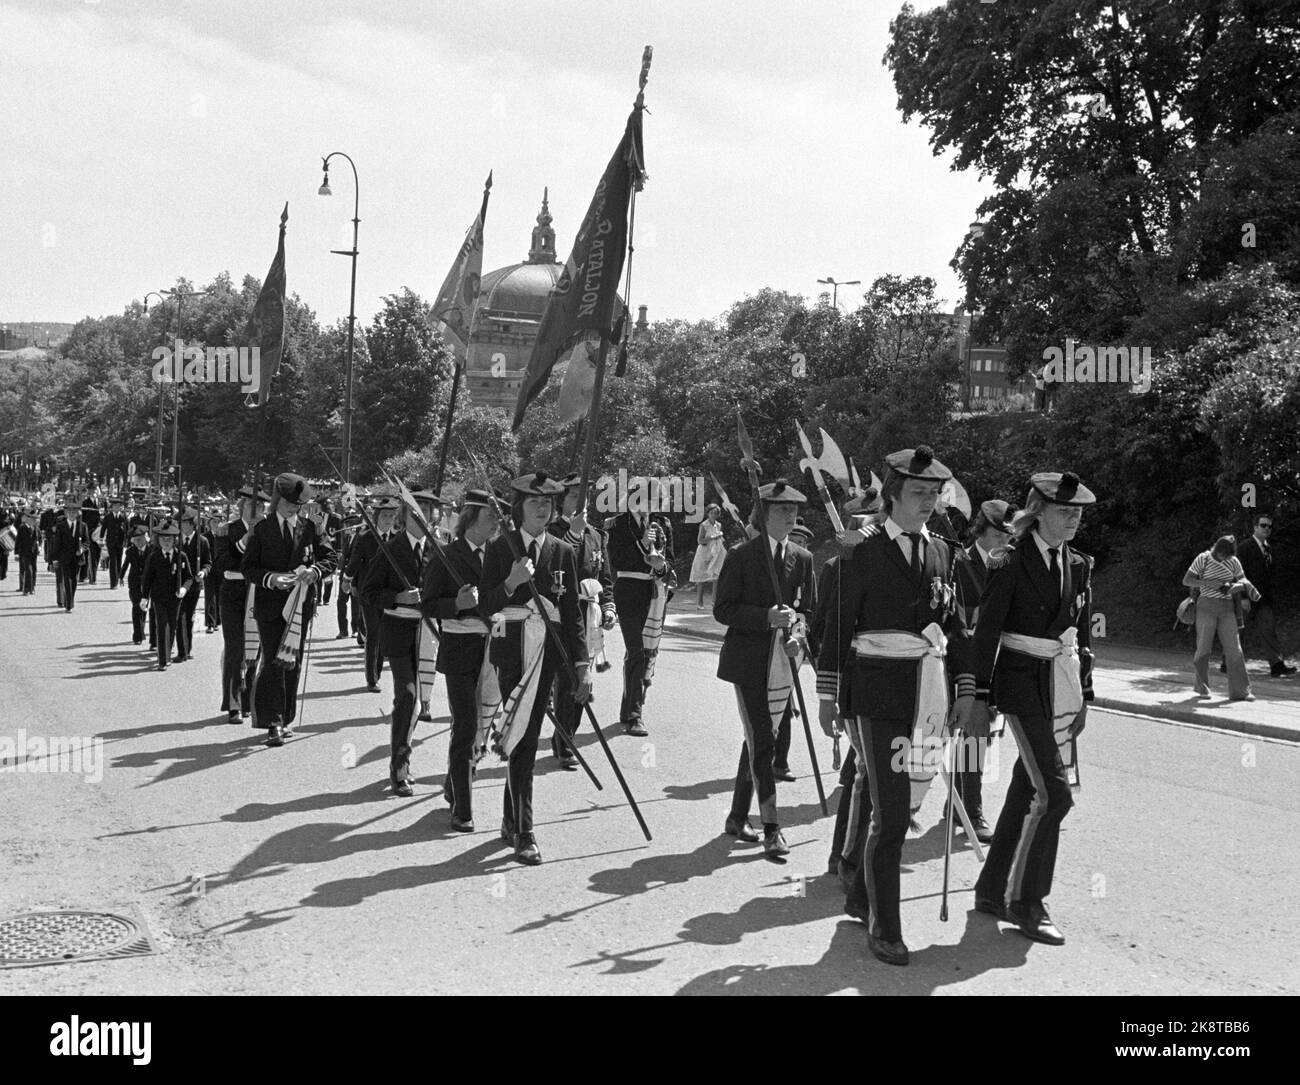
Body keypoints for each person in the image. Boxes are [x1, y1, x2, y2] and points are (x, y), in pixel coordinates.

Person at [816, 447, 975, 966]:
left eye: (934, 493)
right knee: (890, 809)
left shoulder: (943, 553)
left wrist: (965, 689)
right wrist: (829, 695)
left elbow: (952, 627)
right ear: (891, 496)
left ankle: (861, 894)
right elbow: (836, 626)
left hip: (927, 692)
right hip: (873, 691)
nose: (929, 502)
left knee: (905, 802)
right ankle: (887, 926)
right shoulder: (857, 552)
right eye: (918, 493)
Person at [970, 471, 1097, 947]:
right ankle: (1026, 901)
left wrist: (1085, 693)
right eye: (1065, 512)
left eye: (1078, 512)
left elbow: (1080, 639)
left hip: (1058, 687)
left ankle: (990, 890)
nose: (1074, 520)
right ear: (1037, 512)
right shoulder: (1008, 562)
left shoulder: (1079, 564)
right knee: (1056, 796)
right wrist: (977, 695)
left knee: (1027, 793)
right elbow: (986, 634)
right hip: (1020, 685)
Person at [478, 472, 590, 865]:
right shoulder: (499, 548)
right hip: (512, 653)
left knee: (525, 736)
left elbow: (573, 612)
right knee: (522, 738)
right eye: (534, 503)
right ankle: (524, 831)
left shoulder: (563, 551)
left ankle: (512, 820)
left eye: (548, 504)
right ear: (519, 508)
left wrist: (582, 664)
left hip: (550, 656)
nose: (543, 510)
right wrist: (510, 583)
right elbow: (485, 607)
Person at [715, 480, 817, 859]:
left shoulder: (803, 559)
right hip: (747, 662)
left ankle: (737, 815)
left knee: (757, 739)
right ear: (764, 514)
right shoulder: (741, 556)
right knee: (763, 739)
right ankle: (772, 826)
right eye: (781, 510)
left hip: (784, 663)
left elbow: (810, 612)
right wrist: (766, 618)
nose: (789, 517)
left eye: (793, 510)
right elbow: (722, 609)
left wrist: (799, 636)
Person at [242, 472, 337, 747]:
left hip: (300, 606)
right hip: (270, 606)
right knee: (274, 660)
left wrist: (315, 572)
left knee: (292, 661)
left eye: (298, 505)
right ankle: (273, 721)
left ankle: (286, 716)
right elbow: (248, 568)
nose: (293, 509)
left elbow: (330, 557)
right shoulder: (261, 528)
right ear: (277, 500)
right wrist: (271, 578)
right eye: (288, 504)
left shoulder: (310, 528)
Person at [423, 489, 497, 830]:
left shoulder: (499, 555)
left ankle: (455, 783)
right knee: (465, 724)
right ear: (470, 520)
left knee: (483, 723)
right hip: (459, 649)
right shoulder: (446, 555)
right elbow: (428, 605)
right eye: (489, 517)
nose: (495, 523)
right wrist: (457, 604)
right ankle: (463, 809)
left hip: (495, 648)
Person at [361, 489, 442, 796]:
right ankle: (400, 765)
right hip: (397, 633)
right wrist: (398, 598)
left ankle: (403, 750)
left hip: (428, 636)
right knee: (407, 697)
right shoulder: (390, 550)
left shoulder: (440, 550)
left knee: (420, 702)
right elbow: (368, 592)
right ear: (404, 517)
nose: (420, 518)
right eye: (414, 512)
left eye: (426, 512)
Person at [948, 498, 1017, 845]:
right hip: (957, 658)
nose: (1005, 543)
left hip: (991, 659)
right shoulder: (958, 562)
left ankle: (967, 807)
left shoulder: (1009, 565)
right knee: (922, 740)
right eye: (998, 536)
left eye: (1009, 537)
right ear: (981, 532)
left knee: (978, 733)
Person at [547, 472, 615, 769]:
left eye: (583, 497)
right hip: (561, 615)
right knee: (568, 679)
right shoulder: (553, 532)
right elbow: (555, 565)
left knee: (582, 681)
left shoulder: (597, 535)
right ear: (563, 500)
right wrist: (572, 535)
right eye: (573, 496)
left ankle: (565, 736)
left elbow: (605, 575)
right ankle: (564, 742)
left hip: (590, 617)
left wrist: (609, 606)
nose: (580, 502)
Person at [606, 500, 671, 736]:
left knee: (645, 652)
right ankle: (635, 715)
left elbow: (669, 560)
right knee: (636, 650)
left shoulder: (662, 523)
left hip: (652, 592)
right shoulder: (616, 523)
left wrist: (661, 565)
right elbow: (616, 561)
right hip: (627, 588)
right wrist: (641, 544)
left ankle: (628, 708)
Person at [214, 485, 267, 723]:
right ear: (241, 507)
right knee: (235, 648)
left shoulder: (268, 532)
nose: (256, 509)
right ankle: (233, 703)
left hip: (259, 594)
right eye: (251, 505)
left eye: (260, 506)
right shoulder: (228, 530)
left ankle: (248, 701)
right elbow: (222, 563)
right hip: (233, 595)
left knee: (255, 648)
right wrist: (245, 541)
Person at [1183, 534, 1259, 701]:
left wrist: (1236, 586)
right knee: (1203, 647)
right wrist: (1207, 583)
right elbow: (1187, 580)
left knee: (1234, 648)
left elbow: (1243, 580)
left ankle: (1242, 692)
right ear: (1217, 549)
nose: (1224, 557)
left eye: (1228, 554)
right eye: (1222, 553)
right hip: (1206, 606)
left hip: (1227, 608)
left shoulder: (1233, 561)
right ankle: (1202, 688)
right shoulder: (1203, 558)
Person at [346, 496, 399, 692]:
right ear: (376, 517)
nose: (388, 519)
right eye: (384, 515)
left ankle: (377, 669)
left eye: (391, 516)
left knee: (384, 634)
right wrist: (347, 579)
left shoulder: (396, 540)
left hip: (388, 595)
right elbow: (355, 562)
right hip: (367, 593)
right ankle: (372, 678)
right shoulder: (364, 537)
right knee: (373, 633)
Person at [1236, 513, 1296, 677]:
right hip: (1247, 597)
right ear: (1255, 527)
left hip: (1263, 599)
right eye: (1263, 525)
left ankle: (1276, 665)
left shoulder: (1268, 548)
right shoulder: (1244, 547)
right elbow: (1238, 574)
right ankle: (1228, 663)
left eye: (1269, 526)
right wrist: (1243, 597)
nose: (1267, 529)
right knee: (1237, 631)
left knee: (1268, 630)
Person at [140, 519, 191, 670]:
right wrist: (144, 597)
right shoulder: (154, 557)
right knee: (161, 626)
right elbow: (147, 578)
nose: (166, 542)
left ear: (175, 540)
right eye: (163, 539)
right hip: (159, 597)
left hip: (175, 598)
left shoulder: (181, 556)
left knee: (172, 625)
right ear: (158, 540)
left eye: (169, 539)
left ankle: (167, 652)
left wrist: (184, 589)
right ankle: (163, 660)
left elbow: (189, 577)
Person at [175, 509, 211, 663]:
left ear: (191, 525)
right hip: (179, 584)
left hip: (195, 585)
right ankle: (181, 651)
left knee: (189, 617)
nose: (181, 525)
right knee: (179, 617)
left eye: (184, 523)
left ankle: (187, 648)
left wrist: (203, 572)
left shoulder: (202, 541)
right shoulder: (176, 540)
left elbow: (208, 562)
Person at [51, 496, 91, 612]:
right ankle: (69, 604)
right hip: (64, 558)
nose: (72, 514)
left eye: (74, 512)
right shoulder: (60, 526)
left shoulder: (83, 526)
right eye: (70, 512)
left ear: (78, 513)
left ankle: (70, 599)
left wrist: (82, 549)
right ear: (66, 513)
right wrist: (54, 559)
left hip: (77, 558)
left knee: (73, 580)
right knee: (67, 580)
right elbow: (56, 544)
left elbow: (86, 542)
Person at [690, 503, 727, 609]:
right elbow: (700, 541)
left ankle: (714, 602)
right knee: (701, 577)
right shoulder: (704, 525)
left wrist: (720, 538)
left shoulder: (718, 525)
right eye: (711, 513)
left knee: (716, 576)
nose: (713, 515)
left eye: (715, 513)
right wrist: (712, 537)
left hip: (715, 552)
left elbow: (720, 538)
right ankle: (699, 603)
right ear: (708, 513)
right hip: (704, 552)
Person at [121, 524, 151, 644]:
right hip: (134, 582)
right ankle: (137, 635)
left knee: (143, 608)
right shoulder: (130, 551)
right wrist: (121, 577)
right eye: (135, 541)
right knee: (136, 606)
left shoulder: (152, 549)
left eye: (140, 540)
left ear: (146, 538)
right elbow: (125, 564)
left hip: (147, 583)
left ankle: (141, 630)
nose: (138, 543)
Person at [104, 497, 128, 589]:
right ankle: (113, 582)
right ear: (112, 507)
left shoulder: (123, 517)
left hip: (120, 542)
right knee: (113, 562)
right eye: (115, 506)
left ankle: (117, 579)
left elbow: (127, 529)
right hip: (111, 542)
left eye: (119, 506)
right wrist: (102, 539)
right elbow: (103, 528)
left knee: (118, 561)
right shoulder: (108, 517)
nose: (117, 508)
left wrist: (127, 540)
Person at [16, 508, 41, 595]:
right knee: (28, 570)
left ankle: (32, 587)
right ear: (29, 519)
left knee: (34, 570)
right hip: (24, 552)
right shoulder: (22, 528)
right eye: (33, 519)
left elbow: (39, 538)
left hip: (34, 552)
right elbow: (18, 541)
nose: (35, 520)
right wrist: (16, 553)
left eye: (36, 519)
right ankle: (26, 589)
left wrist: (40, 546)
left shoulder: (36, 528)